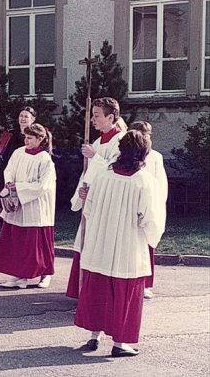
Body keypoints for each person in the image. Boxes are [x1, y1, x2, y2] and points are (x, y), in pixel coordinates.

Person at [74, 130, 160, 357]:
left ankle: (94, 335)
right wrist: (151, 236)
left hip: (100, 242)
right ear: (144, 152)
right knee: (124, 293)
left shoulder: (103, 175)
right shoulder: (144, 181)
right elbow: (150, 218)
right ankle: (121, 343)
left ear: (121, 149)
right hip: (128, 245)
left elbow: (89, 208)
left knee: (99, 289)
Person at [66, 97, 126, 299]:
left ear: (111, 117)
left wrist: (95, 157)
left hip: (109, 203)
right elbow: (89, 173)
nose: (92, 119)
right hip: (93, 200)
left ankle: (98, 295)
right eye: (92, 115)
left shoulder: (122, 141)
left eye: (97, 115)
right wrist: (84, 190)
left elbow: (118, 170)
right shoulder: (98, 142)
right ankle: (83, 292)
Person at [0, 123, 56, 289]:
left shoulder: (45, 159)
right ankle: (19, 275)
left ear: (40, 139)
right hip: (17, 202)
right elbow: (9, 171)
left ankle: (45, 274)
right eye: (25, 137)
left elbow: (43, 186)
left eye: (30, 138)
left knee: (35, 243)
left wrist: (19, 188)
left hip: (36, 206)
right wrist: (9, 185)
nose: (26, 140)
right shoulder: (18, 152)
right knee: (19, 241)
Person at [130, 121, 168, 299]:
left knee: (147, 246)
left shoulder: (155, 157)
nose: (143, 137)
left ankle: (146, 283)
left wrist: (157, 204)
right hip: (131, 203)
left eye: (146, 135)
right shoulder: (127, 154)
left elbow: (160, 183)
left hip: (148, 203)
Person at [0, 107, 37, 225]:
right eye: (21, 116)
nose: (23, 119)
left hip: (25, 173)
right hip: (8, 171)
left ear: (33, 119)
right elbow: (1, 152)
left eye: (26, 116)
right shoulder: (11, 134)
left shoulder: (35, 136)